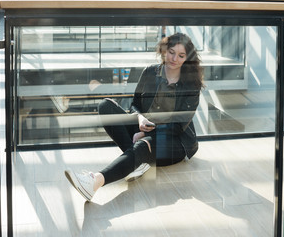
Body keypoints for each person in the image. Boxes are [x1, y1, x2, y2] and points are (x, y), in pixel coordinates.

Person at [64, 32, 204, 201]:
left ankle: (94, 182)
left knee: (144, 146)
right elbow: (135, 103)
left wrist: (146, 134)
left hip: (175, 142)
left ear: (187, 58)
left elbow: (178, 125)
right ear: (164, 50)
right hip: (144, 127)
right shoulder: (150, 72)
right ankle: (139, 163)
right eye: (171, 52)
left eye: (181, 55)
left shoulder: (191, 85)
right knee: (105, 106)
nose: (174, 58)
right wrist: (139, 118)